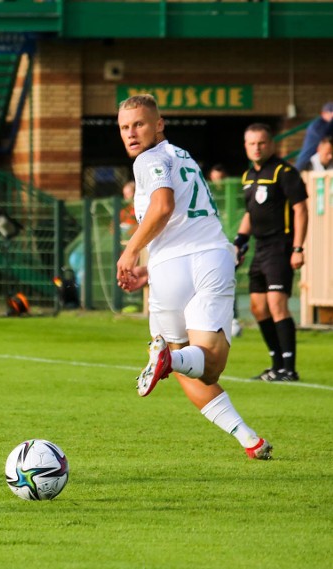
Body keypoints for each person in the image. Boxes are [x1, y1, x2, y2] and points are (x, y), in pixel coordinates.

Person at [116, 94, 272, 460]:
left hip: (174, 267)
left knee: (190, 364)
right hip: (211, 258)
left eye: (139, 124)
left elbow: (163, 206)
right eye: (124, 127)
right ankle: (250, 439)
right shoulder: (180, 155)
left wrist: (131, 249)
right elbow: (182, 219)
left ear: (159, 124)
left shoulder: (148, 160)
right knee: (208, 362)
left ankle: (172, 362)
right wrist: (147, 269)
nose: (131, 133)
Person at [235, 123, 307, 382]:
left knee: (277, 304)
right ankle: (276, 365)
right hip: (260, 248)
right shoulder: (248, 177)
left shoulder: (284, 172)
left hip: (281, 246)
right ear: (246, 146)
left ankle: (289, 368)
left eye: (262, 143)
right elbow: (249, 214)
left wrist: (298, 248)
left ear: (271, 144)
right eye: (252, 143)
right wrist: (239, 242)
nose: (257, 148)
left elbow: (300, 209)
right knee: (258, 307)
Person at [206, 164, 242, 338]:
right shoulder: (207, 195)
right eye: (215, 180)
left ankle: (232, 318)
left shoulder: (233, 196)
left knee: (228, 279)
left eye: (221, 180)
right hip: (209, 245)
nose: (218, 184)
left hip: (229, 244)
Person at [294, 102, 333, 171]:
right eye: (331, 113)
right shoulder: (317, 125)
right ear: (323, 113)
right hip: (306, 163)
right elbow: (324, 136)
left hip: (318, 163)